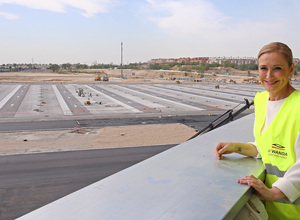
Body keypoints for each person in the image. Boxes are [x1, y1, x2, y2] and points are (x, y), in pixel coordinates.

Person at [214, 42, 300, 219]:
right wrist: (236, 147)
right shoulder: (261, 100)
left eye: (277, 68)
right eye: (263, 68)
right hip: (272, 208)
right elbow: (269, 146)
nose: (269, 76)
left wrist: (274, 193)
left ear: (291, 70)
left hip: (292, 209)